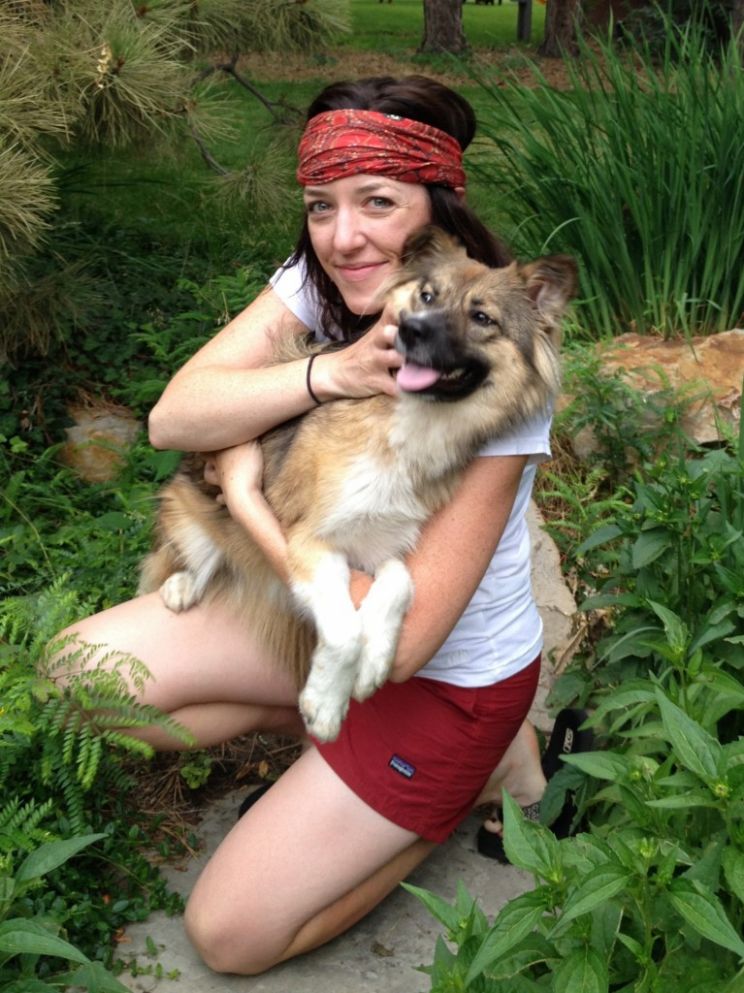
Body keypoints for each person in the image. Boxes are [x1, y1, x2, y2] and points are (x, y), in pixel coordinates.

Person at [58, 75, 573, 976]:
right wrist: (328, 373)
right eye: (320, 205)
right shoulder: (333, 277)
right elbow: (172, 418)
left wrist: (248, 497)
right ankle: (330, 737)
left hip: (438, 676)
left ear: (436, 210)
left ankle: (480, 772)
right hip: (329, 620)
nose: (343, 236)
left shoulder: (492, 367)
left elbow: (408, 643)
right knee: (78, 680)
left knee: (229, 933)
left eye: (377, 202)